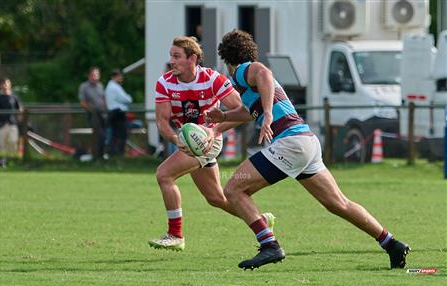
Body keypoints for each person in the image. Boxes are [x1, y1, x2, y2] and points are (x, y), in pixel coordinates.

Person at [204, 30, 410, 270]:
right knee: (337, 203)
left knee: (233, 188)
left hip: (290, 143)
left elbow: (264, 73)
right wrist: (224, 117)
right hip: (306, 142)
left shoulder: (242, 70)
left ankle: (269, 245)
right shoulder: (249, 87)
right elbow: (250, 112)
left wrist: (269, 113)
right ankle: (392, 244)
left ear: (226, 58)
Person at [148, 36, 275, 251]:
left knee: (164, 174)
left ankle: (175, 235)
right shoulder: (165, 83)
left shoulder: (212, 79)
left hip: (210, 141)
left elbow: (242, 111)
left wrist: (211, 131)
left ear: (193, 59)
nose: (171, 61)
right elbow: (162, 122)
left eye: (176, 56)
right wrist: (175, 139)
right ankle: (261, 220)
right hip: (189, 141)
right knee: (216, 198)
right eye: (171, 56)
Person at [78, 67, 107, 159]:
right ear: (89, 76)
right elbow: (82, 102)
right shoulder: (84, 86)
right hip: (92, 115)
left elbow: (103, 99)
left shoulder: (100, 86)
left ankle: (101, 155)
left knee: (103, 135)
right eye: (94, 75)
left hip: (102, 114)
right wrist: (92, 110)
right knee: (97, 135)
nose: (95, 77)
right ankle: (95, 156)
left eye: (97, 75)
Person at [105, 69, 132, 156]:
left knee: (115, 135)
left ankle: (114, 153)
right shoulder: (115, 87)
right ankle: (119, 154)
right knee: (121, 135)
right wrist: (128, 97)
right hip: (118, 113)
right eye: (119, 76)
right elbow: (127, 99)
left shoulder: (110, 86)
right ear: (114, 77)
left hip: (113, 113)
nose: (121, 78)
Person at [0, 77, 23, 165]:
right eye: (4, 83)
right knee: (2, 145)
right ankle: (3, 162)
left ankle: (12, 161)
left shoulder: (14, 97)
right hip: (2, 124)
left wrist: (20, 117)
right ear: (0, 85)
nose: (5, 85)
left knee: (12, 141)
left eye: (7, 83)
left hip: (12, 124)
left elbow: (19, 109)